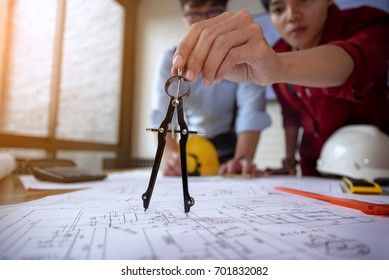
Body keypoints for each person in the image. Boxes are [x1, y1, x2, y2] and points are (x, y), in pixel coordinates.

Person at [171, 0, 389, 177]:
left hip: (376, 165)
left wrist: (280, 66)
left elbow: (361, 58)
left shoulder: (368, 22)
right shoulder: (277, 50)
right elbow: (291, 114)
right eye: (278, 8)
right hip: (314, 168)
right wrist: (288, 160)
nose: (292, 15)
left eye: (304, 1)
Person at [150, 0, 271, 176]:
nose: (203, 23)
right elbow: (162, 113)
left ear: (225, 13)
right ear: (183, 16)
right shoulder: (170, 59)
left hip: (232, 148)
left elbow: (251, 110)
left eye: (214, 12)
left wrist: (243, 158)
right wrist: (169, 155)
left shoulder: (243, 54)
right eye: (194, 14)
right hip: (190, 148)